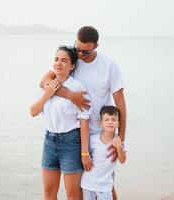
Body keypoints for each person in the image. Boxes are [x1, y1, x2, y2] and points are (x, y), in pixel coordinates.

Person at [40, 26, 127, 199]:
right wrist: (71, 95)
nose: (79, 54)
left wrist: (121, 138)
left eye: (85, 52)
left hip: (101, 133)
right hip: (74, 133)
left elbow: (120, 103)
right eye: (77, 48)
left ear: (96, 46)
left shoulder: (109, 65)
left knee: (105, 184)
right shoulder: (73, 59)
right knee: (85, 185)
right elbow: (44, 81)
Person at [30, 46, 91, 200]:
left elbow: (84, 122)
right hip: (49, 141)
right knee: (49, 194)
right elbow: (33, 111)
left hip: (71, 143)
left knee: (73, 195)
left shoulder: (77, 87)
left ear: (71, 66)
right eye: (56, 59)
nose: (58, 63)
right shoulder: (47, 85)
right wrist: (47, 94)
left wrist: (85, 152)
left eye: (64, 60)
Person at [81, 106, 126, 200]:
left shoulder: (119, 141)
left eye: (113, 119)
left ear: (118, 124)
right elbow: (85, 155)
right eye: (106, 119)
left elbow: (122, 160)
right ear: (101, 123)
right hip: (88, 183)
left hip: (105, 186)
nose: (110, 122)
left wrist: (119, 147)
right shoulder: (93, 139)